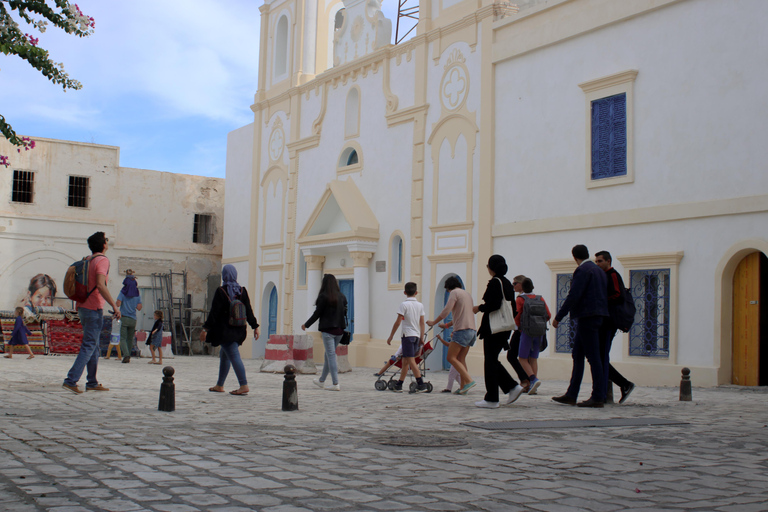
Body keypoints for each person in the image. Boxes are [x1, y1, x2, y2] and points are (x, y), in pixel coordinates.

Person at [552, 244, 609, 408]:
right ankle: (572, 394)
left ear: (574, 257)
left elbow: (574, 295)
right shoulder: (598, 270)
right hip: (597, 315)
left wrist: (559, 317)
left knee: (593, 357)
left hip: (587, 316)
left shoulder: (583, 271)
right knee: (578, 354)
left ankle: (598, 396)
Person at [62, 231, 120, 394]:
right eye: (106, 240)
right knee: (89, 345)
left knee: (93, 346)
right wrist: (114, 306)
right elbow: (101, 285)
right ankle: (71, 379)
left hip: (82, 306)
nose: (107, 242)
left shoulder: (87, 260)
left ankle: (92, 382)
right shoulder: (102, 260)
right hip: (94, 307)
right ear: (103, 244)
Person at [472, 255, 524, 408]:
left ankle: (492, 398)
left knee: (490, 361)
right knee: (492, 360)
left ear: (491, 267)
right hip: (504, 328)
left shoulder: (495, 282)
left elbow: (493, 304)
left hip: (494, 328)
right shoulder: (507, 283)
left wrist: (479, 308)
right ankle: (511, 387)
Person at [201, 265, 259, 395]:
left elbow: (214, 313)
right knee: (224, 355)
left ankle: (243, 385)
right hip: (239, 329)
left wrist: (205, 329)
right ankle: (219, 385)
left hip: (225, 331)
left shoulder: (222, 291)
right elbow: (249, 310)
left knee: (233, 356)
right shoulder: (242, 291)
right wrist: (255, 326)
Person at [595, 250, 636, 404]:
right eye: (597, 261)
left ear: (608, 261)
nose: (598, 264)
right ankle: (617, 385)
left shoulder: (612, 275)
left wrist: (601, 300)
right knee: (599, 356)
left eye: (600, 261)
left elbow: (617, 295)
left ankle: (623, 384)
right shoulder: (604, 275)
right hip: (605, 320)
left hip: (609, 321)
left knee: (601, 356)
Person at [427, 276, 477, 395]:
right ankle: (463, 387)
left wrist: (434, 322)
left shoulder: (454, 292)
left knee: (451, 358)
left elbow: (447, 310)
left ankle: (469, 380)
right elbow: (462, 315)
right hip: (472, 330)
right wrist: (447, 325)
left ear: (449, 288)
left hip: (462, 331)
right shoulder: (467, 294)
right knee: (461, 359)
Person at [302, 274, 347, 391]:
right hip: (340, 330)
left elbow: (317, 314)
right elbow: (345, 312)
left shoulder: (323, 297)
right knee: (328, 355)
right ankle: (321, 381)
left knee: (331, 355)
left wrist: (306, 324)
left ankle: (335, 383)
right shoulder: (342, 297)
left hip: (328, 331)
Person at [385, 281, 427, 393]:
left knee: (411, 360)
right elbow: (422, 323)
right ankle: (399, 384)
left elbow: (398, 322)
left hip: (407, 335)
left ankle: (421, 384)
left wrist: (391, 336)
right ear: (416, 292)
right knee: (405, 361)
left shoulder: (404, 305)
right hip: (416, 335)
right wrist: (422, 337)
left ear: (404, 292)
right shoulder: (420, 305)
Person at [515, 277, 551, 394]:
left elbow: (517, 315)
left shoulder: (520, 299)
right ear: (533, 287)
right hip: (539, 332)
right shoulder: (540, 298)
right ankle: (533, 386)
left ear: (523, 288)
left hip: (526, 332)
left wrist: (517, 327)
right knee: (533, 358)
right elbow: (548, 315)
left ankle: (533, 379)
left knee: (522, 358)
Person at [507, 275, 533, 391]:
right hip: (531, 330)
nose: (513, 285)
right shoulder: (534, 297)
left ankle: (525, 380)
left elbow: (517, 314)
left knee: (511, 355)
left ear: (521, 284)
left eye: (515, 283)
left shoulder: (520, 299)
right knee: (527, 357)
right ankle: (530, 381)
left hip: (519, 330)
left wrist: (514, 326)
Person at [115, 269, 142, 363]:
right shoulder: (137, 294)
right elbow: (139, 307)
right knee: (130, 339)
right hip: (133, 319)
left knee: (123, 338)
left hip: (124, 317)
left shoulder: (123, 292)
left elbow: (118, 304)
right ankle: (129, 355)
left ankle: (126, 355)